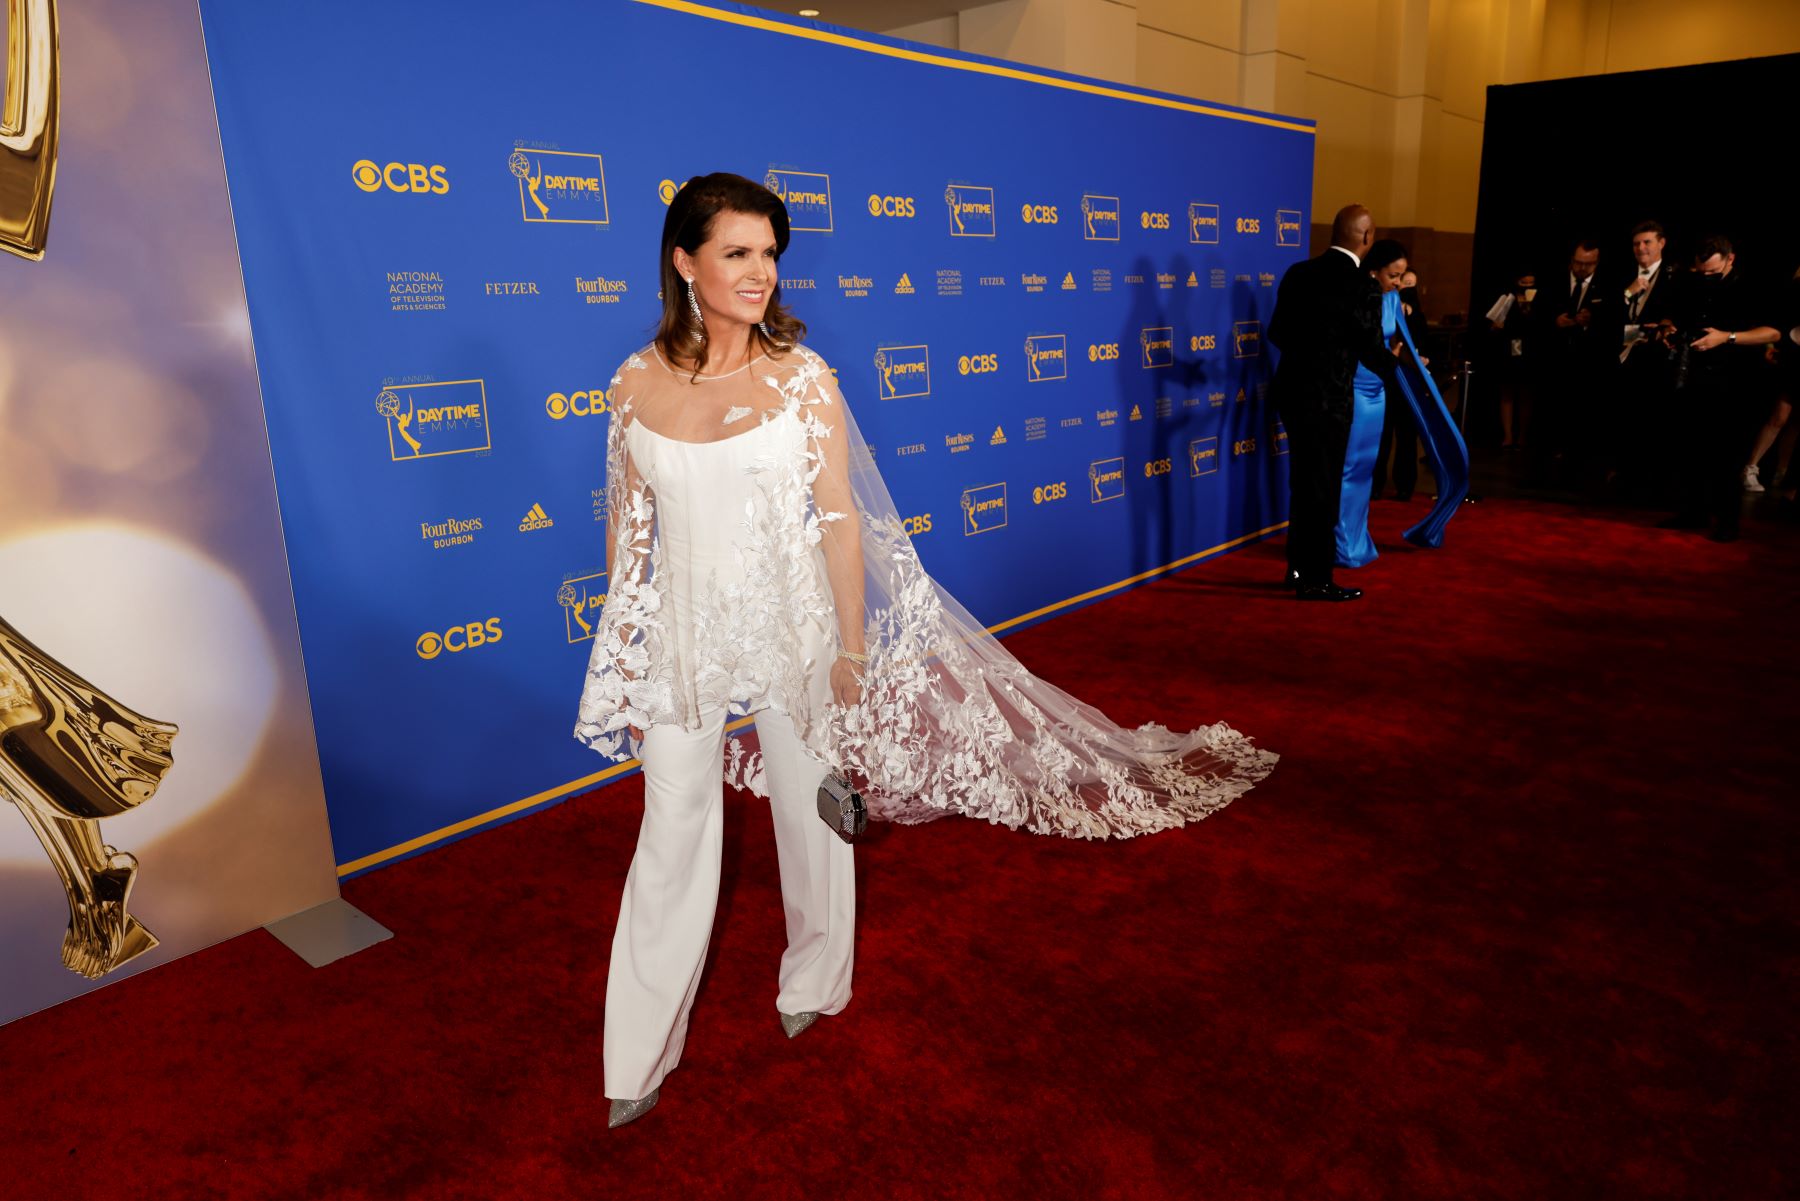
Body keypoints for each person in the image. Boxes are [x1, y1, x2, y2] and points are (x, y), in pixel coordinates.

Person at [574, 173, 1278, 1128]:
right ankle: (636, 1051)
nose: (759, 273)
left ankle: (815, 980)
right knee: (669, 835)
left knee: (811, 817)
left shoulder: (802, 380)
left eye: (769, 253)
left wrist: (852, 652)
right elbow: (628, 529)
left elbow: (838, 527)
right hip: (680, 644)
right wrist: (624, 643)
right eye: (736, 253)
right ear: (683, 261)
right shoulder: (631, 381)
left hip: (795, 627)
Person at [1268, 204, 1396, 601]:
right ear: (1366, 237)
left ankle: (1297, 567)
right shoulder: (1363, 284)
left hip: (1292, 394)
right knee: (1322, 488)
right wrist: (1403, 367)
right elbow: (1371, 350)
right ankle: (1316, 578)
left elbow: (1278, 333)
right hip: (1330, 401)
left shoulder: (1298, 272)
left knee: (1302, 482)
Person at [1653, 234, 1780, 541]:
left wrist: (1728, 337)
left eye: (1713, 271)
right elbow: (1675, 316)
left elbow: (1773, 332)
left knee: (1726, 455)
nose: (1707, 277)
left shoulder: (1750, 288)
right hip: (1694, 375)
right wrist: (1669, 328)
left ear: (1730, 258)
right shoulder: (1692, 283)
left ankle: (1727, 521)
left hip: (1734, 381)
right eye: (1702, 272)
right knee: (1692, 449)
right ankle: (1693, 512)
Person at [1335, 239, 1410, 567]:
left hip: (1378, 391)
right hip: (1354, 388)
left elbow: (1395, 340)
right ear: (1374, 270)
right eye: (1393, 275)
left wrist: (1404, 356)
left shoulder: (1393, 298)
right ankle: (1339, 544)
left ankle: (1356, 537)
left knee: (1366, 467)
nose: (1397, 282)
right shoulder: (1357, 296)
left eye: (1402, 275)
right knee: (1348, 467)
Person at [1482, 273, 1538, 449]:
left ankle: (1522, 436)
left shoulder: (1537, 298)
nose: (1527, 286)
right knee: (1507, 393)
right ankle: (1507, 436)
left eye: (1531, 283)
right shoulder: (1508, 299)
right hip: (1508, 350)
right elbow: (1492, 324)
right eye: (1524, 283)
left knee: (1525, 394)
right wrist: (1496, 327)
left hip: (1529, 351)